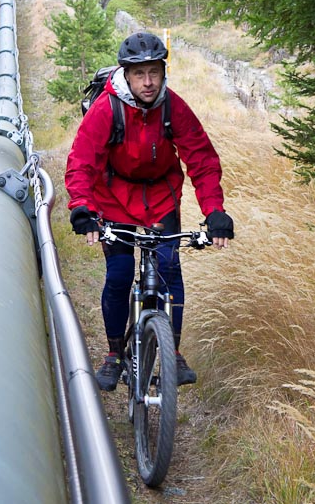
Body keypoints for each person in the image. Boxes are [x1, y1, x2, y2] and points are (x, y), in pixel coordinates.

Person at [65, 31, 235, 392]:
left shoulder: (173, 106)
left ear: (163, 71)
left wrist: (215, 211)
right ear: (126, 74)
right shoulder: (107, 109)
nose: (148, 82)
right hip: (112, 196)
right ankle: (113, 355)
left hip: (160, 196)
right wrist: (82, 207)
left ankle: (171, 353)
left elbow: (202, 159)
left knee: (169, 267)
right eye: (139, 74)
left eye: (154, 72)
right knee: (120, 272)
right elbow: (81, 162)